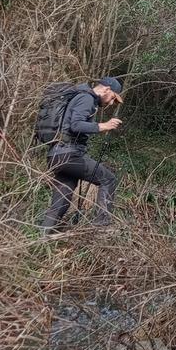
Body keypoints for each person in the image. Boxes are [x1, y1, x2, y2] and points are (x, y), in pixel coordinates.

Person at [39, 77, 123, 238]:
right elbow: (76, 125)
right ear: (106, 89)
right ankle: (101, 227)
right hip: (69, 155)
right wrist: (102, 126)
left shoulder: (82, 97)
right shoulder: (87, 98)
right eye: (113, 98)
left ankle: (42, 238)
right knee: (108, 179)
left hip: (56, 156)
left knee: (61, 198)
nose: (111, 103)